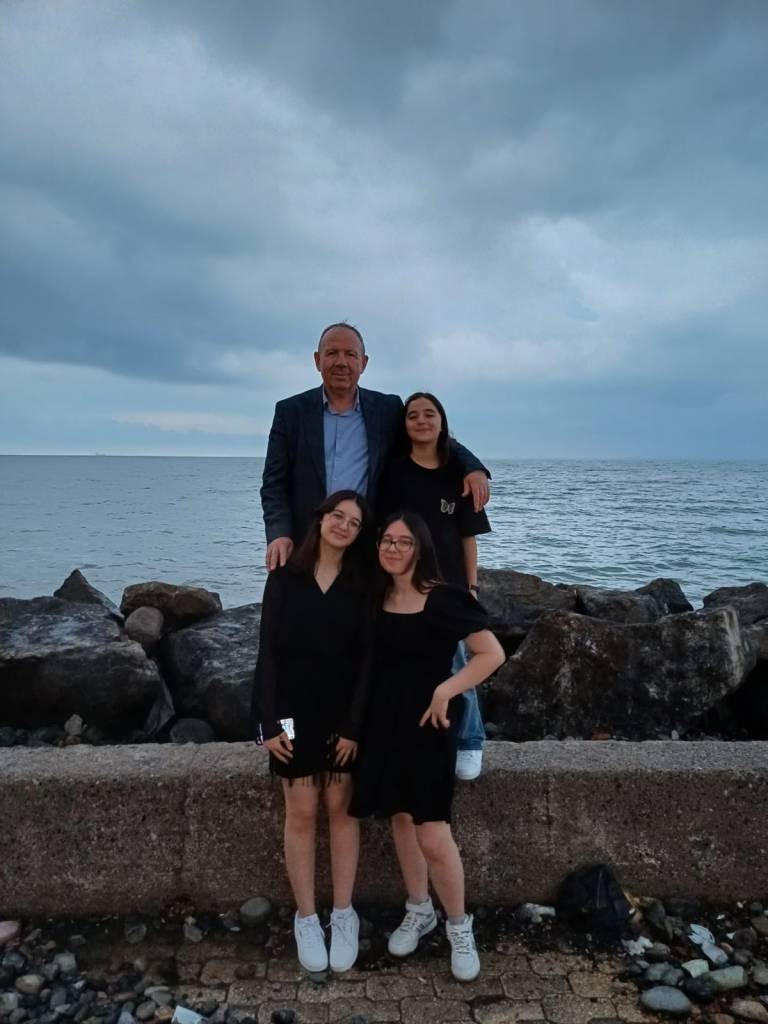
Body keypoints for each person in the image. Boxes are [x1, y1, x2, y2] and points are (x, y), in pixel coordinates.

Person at [349, 511, 505, 982]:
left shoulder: (442, 598)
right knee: (400, 818)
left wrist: (446, 690)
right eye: (386, 541)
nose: (393, 549)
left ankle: (459, 925)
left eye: (404, 542)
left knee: (433, 832)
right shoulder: (376, 596)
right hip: (384, 726)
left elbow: (491, 654)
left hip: (430, 726)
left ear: (420, 549)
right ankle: (419, 909)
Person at [252, 490, 374, 975]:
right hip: (291, 715)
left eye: (354, 522)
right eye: (337, 516)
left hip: (343, 718)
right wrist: (266, 724)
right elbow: (267, 653)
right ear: (320, 519)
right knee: (301, 811)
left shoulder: (363, 582)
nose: (344, 525)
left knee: (342, 809)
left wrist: (355, 727)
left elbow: (368, 661)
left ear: (359, 534)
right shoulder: (286, 576)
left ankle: (343, 914)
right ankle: (306, 917)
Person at [260, 322, 490, 572]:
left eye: (350, 354)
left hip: (367, 545)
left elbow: (431, 436)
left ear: (364, 362)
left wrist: (473, 468)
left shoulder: (386, 409)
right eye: (332, 353)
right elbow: (274, 483)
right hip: (306, 542)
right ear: (317, 360)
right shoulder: (290, 412)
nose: (341, 362)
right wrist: (279, 534)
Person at [378, 392, 492, 782]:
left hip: (449, 587)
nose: (421, 421)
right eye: (413, 415)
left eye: (430, 414)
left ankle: (470, 740)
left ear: (442, 423)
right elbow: (384, 532)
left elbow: (468, 537)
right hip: (403, 586)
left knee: (459, 662)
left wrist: (471, 587)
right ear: (404, 424)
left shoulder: (458, 473)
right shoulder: (393, 473)